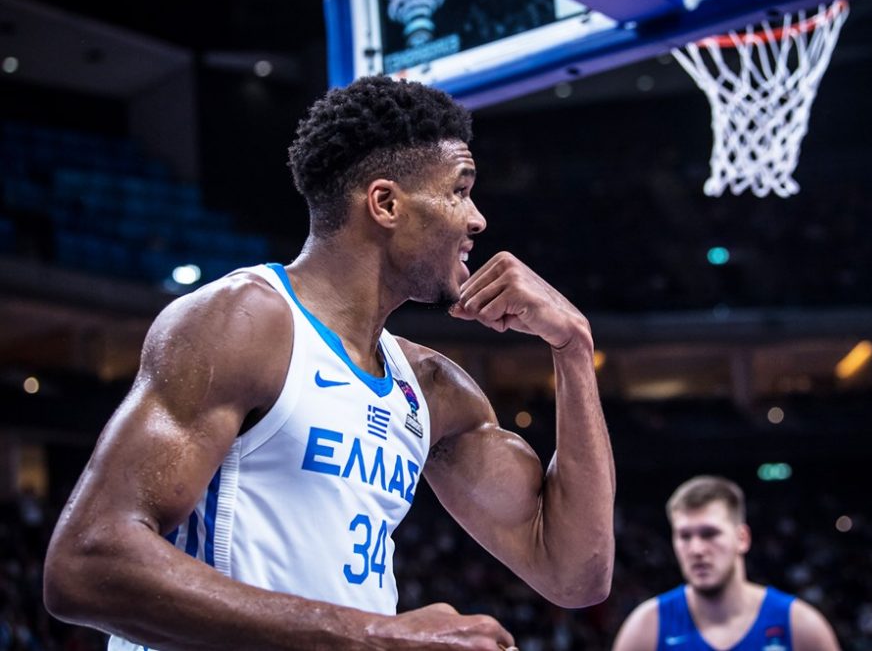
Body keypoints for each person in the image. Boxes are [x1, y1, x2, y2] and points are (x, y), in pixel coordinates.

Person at [43, 76, 615, 650]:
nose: (476, 219)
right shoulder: (244, 321)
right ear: (385, 204)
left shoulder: (431, 387)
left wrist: (572, 348)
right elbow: (85, 563)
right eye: (459, 191)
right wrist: (375, 637)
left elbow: (575, 573)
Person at [612, 476, 839, 651]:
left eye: (709, 534)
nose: (696, 549)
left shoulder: (800, 627)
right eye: (685, 536)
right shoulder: (646, 629)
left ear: (742, 538)